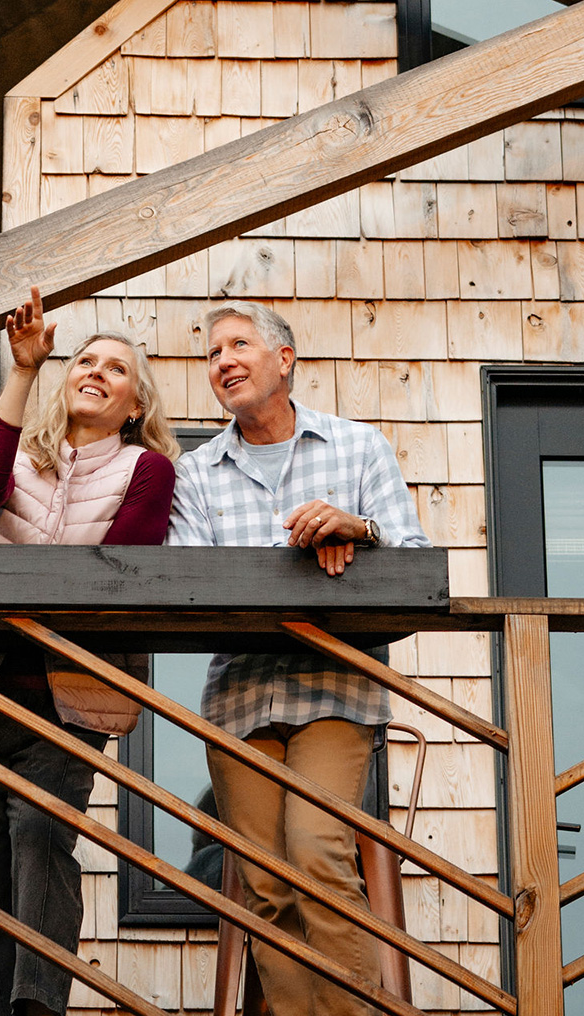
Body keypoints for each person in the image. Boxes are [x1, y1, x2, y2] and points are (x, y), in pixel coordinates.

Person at [0, 286, 180, 1016]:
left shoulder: (146, 471)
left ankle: (37, 1008)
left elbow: (119, 570)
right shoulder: (20, 455)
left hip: (65, 705)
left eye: (116, 368)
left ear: (135, 405)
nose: (95, 370)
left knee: (38, 836)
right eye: (84, 360)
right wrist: (23, 370)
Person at [168, 300, 432, 1016]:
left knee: (316, 851)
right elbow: (190, 582)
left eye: (238, 344)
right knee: (265, 884)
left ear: (284, 359)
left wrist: (359, 528)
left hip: (335, 686)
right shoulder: (195, 472)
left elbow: (412, 559)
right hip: (241, 695)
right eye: (212, 353)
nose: (222, 360)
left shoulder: (357, 447)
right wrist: (302, 563)